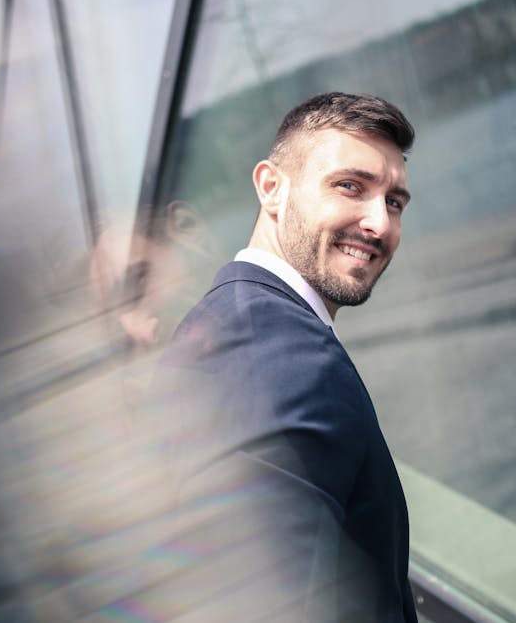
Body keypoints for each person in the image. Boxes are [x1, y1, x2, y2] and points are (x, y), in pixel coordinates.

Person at [150, 92, 417, 620]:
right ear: (272, 188)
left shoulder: (224, 319)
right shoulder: (282, 354)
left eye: (394, 202)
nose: (380, 224)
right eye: (350, 186)